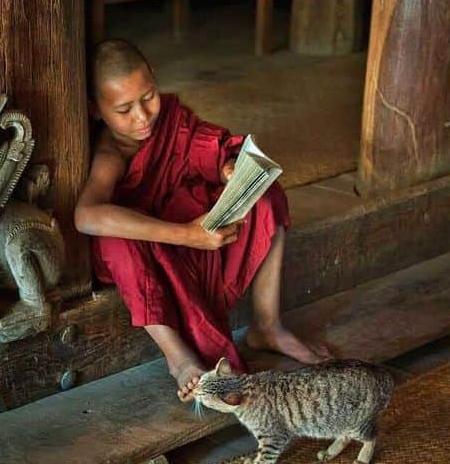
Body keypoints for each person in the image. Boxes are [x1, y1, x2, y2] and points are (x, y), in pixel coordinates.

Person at [74, 39, 331, 402]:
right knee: (114, 241)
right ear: (95, 109)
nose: (143, 117)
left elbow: (205, 147)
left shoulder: (171, 121)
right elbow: (86, 216)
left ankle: (268, 325)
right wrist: (186, 235)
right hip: (153, 249)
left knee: (265, 195)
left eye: (148, 97)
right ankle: (178, 359)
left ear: (155, 79)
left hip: (193, 230)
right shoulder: (109, 155)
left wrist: (227, 169)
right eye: (124, 109)